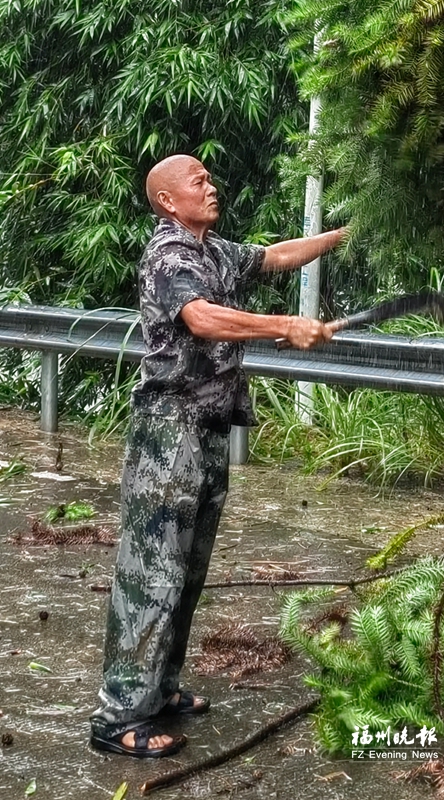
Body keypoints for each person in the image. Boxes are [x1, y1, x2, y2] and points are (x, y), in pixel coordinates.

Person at [90, 154, 346, 758]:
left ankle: (161, 690)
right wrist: (285, 325)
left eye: (208, 176)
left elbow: (277, 255)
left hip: (205, 430)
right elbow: (202, 319)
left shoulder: (213, 251)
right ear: (167, 202)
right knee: (152, 573)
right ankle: (117, 715)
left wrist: (347, 232)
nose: (210, 185)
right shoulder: (169, 255)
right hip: (167, 433)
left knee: (187, 571)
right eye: (196, 180)